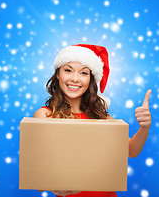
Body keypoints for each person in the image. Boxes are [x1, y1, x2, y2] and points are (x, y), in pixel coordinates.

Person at [33, 44, 152, 197]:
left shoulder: (101, 116)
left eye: (83, 73)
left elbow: (131, 150)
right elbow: (37, 172)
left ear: (91, 79)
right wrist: (52, 185)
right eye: (68, 70)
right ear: (57, 74)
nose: (75, 79)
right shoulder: (45, 116)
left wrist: (144, 127)